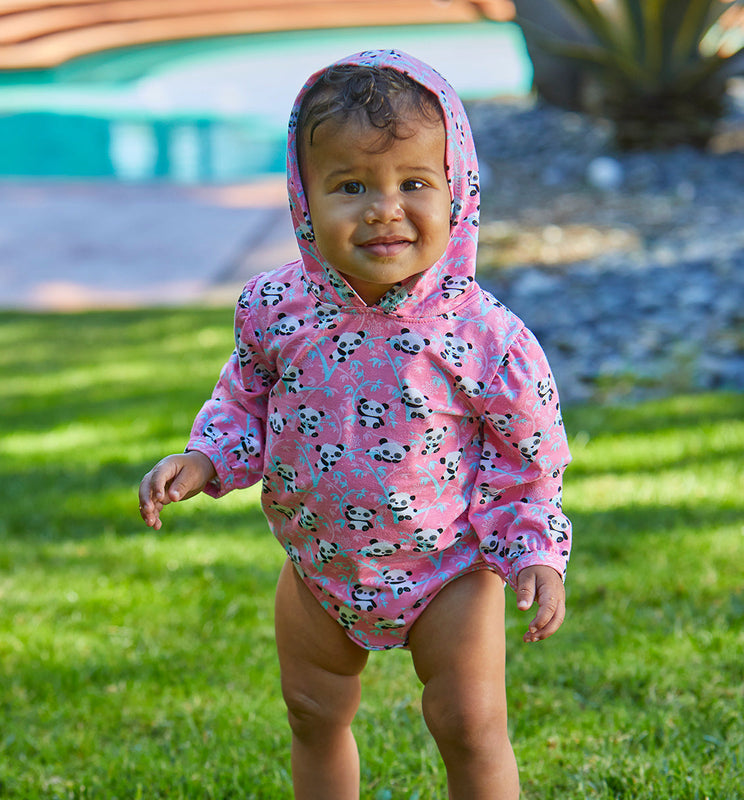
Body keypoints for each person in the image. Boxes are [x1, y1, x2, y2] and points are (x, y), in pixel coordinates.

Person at [139, 49, 572, 800]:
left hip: (449, 570)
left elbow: (527, 453)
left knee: (468, 723)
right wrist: (206, 457)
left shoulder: (484, 335)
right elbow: (248, 396)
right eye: (349, 186)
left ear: (457, 191)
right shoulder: (277, 308)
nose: (383, 208)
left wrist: (534, 546)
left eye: (413, 183)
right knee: (312, 711)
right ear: (304, 201)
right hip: (320, 564)